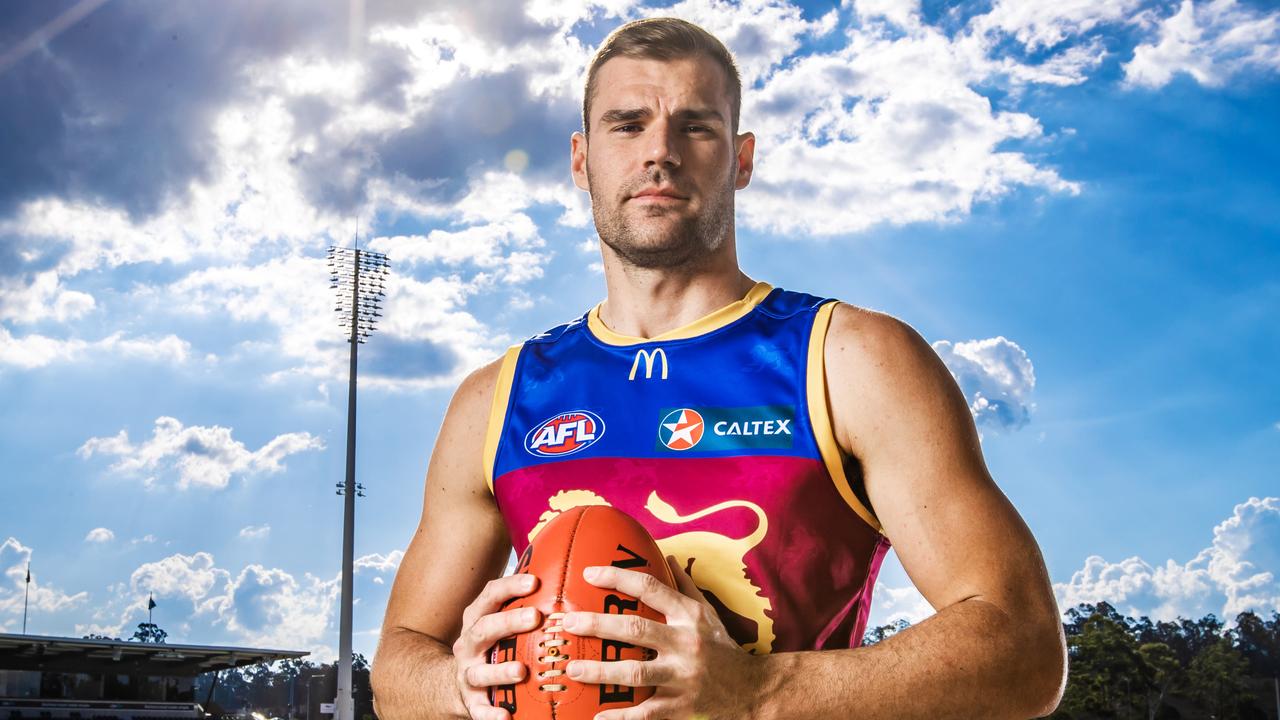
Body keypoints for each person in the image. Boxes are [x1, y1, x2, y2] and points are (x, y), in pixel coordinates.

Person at [371, 16, 1066, 720]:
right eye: (628, 124)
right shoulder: (498, 398)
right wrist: (456, 686)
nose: (660, 154)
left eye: (695, 127)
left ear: (741, 159)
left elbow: (1026, 649)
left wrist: (759, 691)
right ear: (581, 159)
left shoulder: (849, 361)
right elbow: (400, 658)